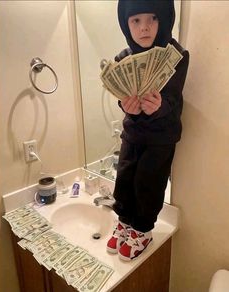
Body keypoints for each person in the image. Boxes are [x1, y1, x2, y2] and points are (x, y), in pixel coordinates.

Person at [106, 0, 189, 261]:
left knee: (149, 182)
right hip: (133, 132)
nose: (145, 28)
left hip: (161, 137)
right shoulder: (123, 58)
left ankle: (142, 229)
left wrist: (161, 105)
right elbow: (121, 94)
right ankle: (124, 220)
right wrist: (126, 105)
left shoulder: (177, 55)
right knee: (125, 175)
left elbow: (174, 99)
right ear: (125, 23)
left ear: (164, 18)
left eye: (152, 18)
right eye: (136, 21)